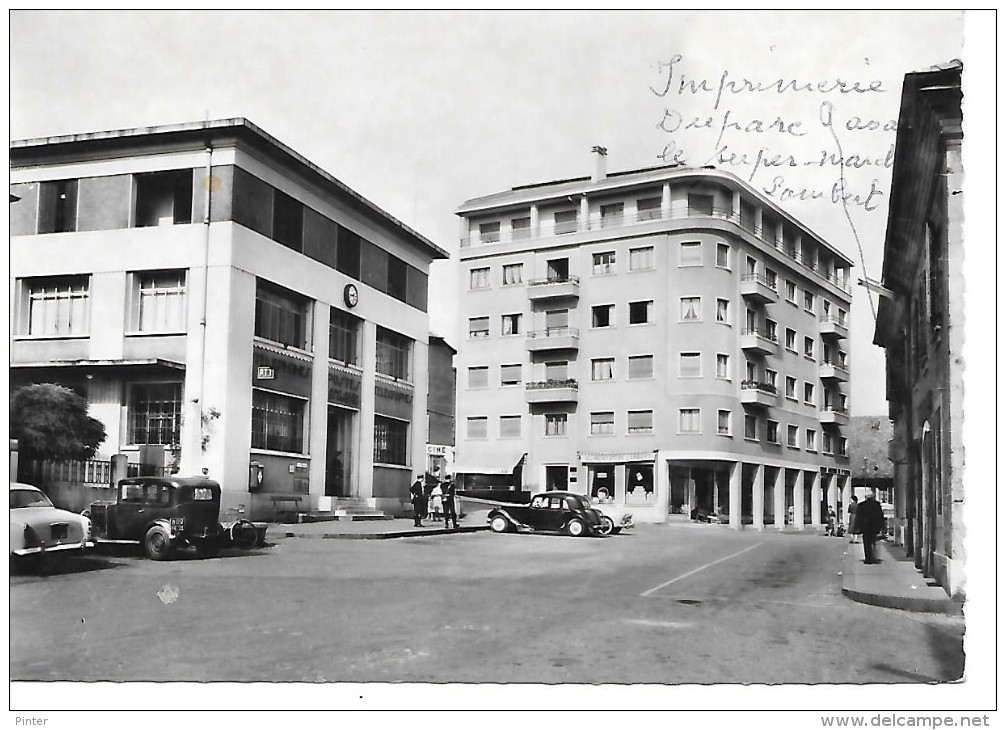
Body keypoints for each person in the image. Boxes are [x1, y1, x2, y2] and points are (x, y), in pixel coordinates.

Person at [856, 492, 886, 564]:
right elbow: (880, 516)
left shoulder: (861, 505)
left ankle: (868, 558)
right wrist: (882, 527)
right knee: (873, 541)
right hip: (874, 526)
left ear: (866, 497)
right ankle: (873, 556)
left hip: (865, 527)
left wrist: (858, 527)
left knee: (866, 543)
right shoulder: (877, 505)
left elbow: (858, 517)